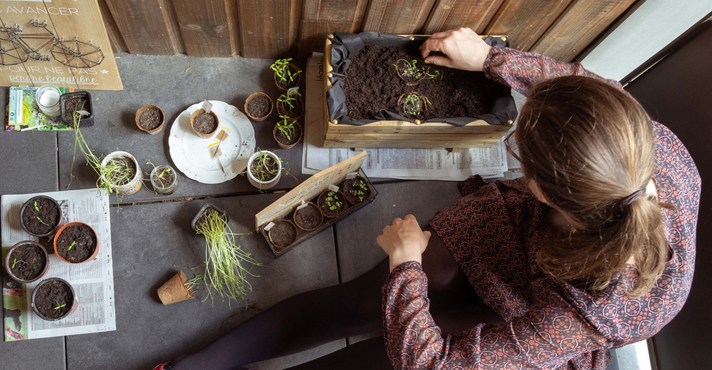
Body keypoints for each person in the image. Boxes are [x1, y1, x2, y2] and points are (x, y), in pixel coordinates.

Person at [155, 28, 700, 370]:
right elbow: (582, 83)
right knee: (355, 305)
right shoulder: (644, 142)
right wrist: (490, 59)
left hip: (526, 306)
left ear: (539, 190)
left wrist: (408, 267)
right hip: (517, 239)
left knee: (393, 349)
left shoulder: (590, 312)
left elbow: (432, 363)